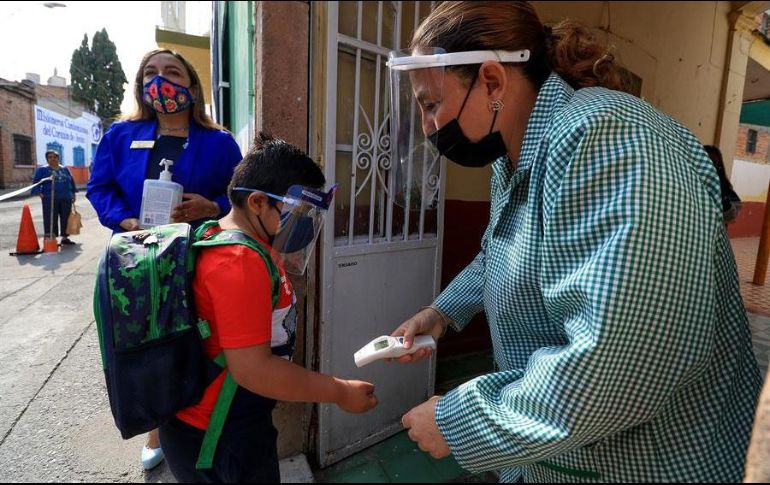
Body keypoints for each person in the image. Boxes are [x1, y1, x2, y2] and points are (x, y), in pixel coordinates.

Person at [386, 2, 762, 482]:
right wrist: (442, 312)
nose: (427, 127)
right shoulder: (515, 159)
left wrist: (459, 422)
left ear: (493, 81)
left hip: (652, 464)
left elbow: (621, 361)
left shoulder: (605, 137)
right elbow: (500, 253)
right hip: (564, 457)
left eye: (431, 104)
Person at [158, 132, 378, 482]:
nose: (304, 222)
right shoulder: (239, 261)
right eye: (296, 210)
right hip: (218, 437)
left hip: (227, 417)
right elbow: (253, 371)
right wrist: (339, 391)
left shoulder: (228, 235)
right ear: (258, 202)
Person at [86, 48, 243, 470]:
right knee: (149, 340)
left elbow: (243, 193)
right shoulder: (121, 135)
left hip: (197, 257)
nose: (161, 80)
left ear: (191, 85)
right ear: (140, 87)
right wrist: (124, 220)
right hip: (140, 263)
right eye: (150, 73)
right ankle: (158, 423)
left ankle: (198, 417)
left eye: (172, 72)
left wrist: (211, 206)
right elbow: (99, 189)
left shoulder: (220, 142)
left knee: (196, 335)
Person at [31, 148, 77, 246]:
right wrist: (39, 193)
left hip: (65, 197)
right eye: (50, 157)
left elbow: (71, 181)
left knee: (66, 217)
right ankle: (52, 238)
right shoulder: (42, 170)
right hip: (49, 199)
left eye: (55, 157)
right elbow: (36, 183)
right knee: (50, 218)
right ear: (47, 159)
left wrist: (73, 193)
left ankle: (65, 238)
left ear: (58, 158)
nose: (53, 159)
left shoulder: (64, 169)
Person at [704, 144, 743, 224]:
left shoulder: (723, 187)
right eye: (708, 162)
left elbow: (733, 215)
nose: (711, 167)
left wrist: (721, 197)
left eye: (715, 164)